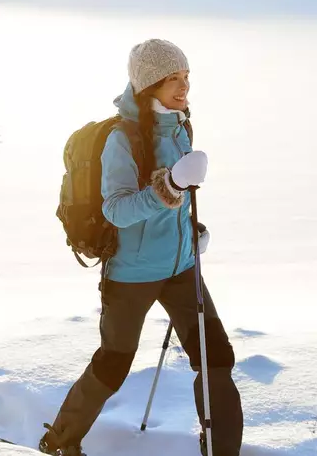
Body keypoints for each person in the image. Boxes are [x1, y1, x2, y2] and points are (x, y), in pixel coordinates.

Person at [38, 39, 244, 456]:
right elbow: (116, 209)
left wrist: (190, 231)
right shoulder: (122, 139)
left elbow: (178, 199)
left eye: (186, 77)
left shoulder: (180, 125)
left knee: (216, 357)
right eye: (173, 79)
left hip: (181, 268)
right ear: (149, 85)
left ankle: (224, 451)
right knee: (113, 363)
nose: (184, 87)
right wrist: (169, 186)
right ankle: (59, 441)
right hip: (131, 274)